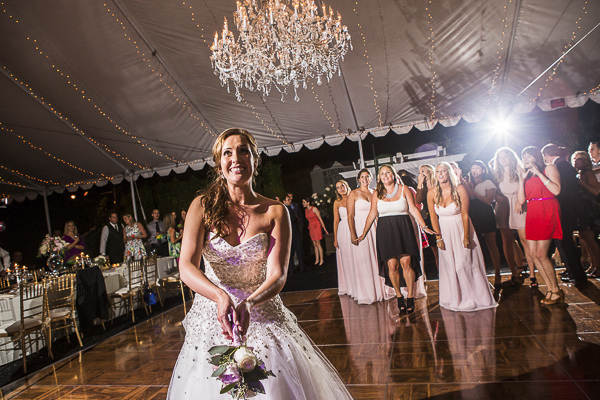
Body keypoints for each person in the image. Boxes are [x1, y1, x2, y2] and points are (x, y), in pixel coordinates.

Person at [167, 128, 353, 399]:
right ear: (219, 163)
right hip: (212, 318)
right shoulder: (202, 206)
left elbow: (277, 274)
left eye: (243, 150)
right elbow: (186, 266)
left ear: (255, 159)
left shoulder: (275, 211)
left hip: (262, 312)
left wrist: (250, 304)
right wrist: (219, 296)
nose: (236, 158)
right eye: (227, 152)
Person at [355, 165, 436, 313]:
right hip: (385, 230)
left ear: (393, 174)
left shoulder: (403, 189)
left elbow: (412, 208)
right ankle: (399, 296)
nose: (385, 175)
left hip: (404, 228)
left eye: (388, 173)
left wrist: (424, 226)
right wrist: (363, 234)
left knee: (406, 262)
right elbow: (372, 214)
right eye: (382, 174)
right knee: (392, 266)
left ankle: (410, 297)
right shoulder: (376, 194)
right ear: (379, 178)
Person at [427, 162, 496, 311]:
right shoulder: (432, 193)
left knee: (463, 264)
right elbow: (433, 217)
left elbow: (465, 214)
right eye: (437, 171)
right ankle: (455, 299)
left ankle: (472, 297)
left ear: (449, 173)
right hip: (444, 231)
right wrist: (438, 238)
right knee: (450, 266)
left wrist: (466, 236)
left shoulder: (459, 189)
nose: (440, 174)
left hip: (460, 228)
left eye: (443, 171)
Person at [518, 146, 564, 305]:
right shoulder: (527, 175)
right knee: (532, 254)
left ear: (536, 157)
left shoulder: (548, 168)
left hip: (547, 209)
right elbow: (522, 200)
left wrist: (538, 173)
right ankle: (551, 289)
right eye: (523, 157)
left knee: (541, 253)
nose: (525, 160)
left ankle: (556, 290)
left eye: (529, 156)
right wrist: (521, 178)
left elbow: (556, 190)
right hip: (532, 212)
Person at [542, 144, 588, 288]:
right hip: (567, 209)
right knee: (564, 243)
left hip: (565, 210)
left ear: (546, 155)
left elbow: (565, 192)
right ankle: (573, 272)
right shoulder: (564, 165)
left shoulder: (561, 166)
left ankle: (577, 275)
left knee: (565, 243)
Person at [347, 168, 395, 304]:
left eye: (367, 176)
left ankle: (382, 289)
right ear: (358, 179)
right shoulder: (353, 194)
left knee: (377, 257)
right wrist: (352, 233)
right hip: (360, 227)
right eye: (362, 177)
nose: (365, 179)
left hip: (376, 228)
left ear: (371, 178)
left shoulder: (376, 192)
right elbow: (350, 216)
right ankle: (367, 293)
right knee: (363, 259)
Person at [492, 148, 535, 286]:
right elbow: (492, 193)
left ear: (511, 157)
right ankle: (514, 272)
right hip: (503, 207)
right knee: (507, 241)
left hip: (519, 205)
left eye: (506, 156)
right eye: (500, 157)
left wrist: (520, 201)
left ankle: (533, 273)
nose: (503, 160)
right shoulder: (495, 174)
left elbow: (528, 189)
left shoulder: (520, 171)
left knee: (525, 240)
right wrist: (497, 197)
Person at [465, 161, 503, 290]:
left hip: (486, 214)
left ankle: (498, 273)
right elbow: (470, 198)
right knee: (478, 246)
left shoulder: (488, 183)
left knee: (492, 244)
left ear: (483, 170)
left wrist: (473, 192)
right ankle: (481, 276)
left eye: (477, 168)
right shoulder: (469, 183)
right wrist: (469, 188)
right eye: (472, 168)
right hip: (474, 215)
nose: (474, 170)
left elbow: (488, 201)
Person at [572, 151, 600, 278]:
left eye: (578, 159)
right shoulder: (580, 173)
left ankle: (598, 267)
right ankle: (593, 265)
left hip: (590, 209)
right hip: (582, 209)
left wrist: (581, 183)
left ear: (585, 161)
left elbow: (595, 191)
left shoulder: (588, 173)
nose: (575, 161)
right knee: (584, 238)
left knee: (590, 238)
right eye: (574, 159)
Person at [415, 164, 439, 269]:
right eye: (420, 172)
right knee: (436, 251)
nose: (421, 174)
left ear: (430, 172)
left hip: (440, 216)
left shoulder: (438, 184)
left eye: (423, 172)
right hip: (429, 219)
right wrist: (420, 184)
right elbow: (418, 201)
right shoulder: (423, 188)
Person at [332, 180, 354, 297]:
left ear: (347, 186)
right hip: (343, 230)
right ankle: (349, 286)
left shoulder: (354, 196)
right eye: (338, 187)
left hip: (355, 226)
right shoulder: (337, 202)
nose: (341, 188)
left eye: (342, 186)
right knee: (347, 258)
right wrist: (335, 238)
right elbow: (336, 221)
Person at [302, 197, 329, 266]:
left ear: (308, 203)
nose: (303, 204)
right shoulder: (306, 210)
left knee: (318, 243)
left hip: (316, 226)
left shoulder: (314, 209)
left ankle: (321, 259)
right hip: (311, 227)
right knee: (314, 244)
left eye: (304, 202)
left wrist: (324, 228)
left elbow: (320, 219)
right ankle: (317, 259)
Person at [283, 195, 305, 274]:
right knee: (298, 250)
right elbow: (294, 219)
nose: (290, 201)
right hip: (293, 232)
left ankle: (292, 269)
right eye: (288, 200)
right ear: (284, 201)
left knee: (290, 252)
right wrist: (296, 218)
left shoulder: (283, 210)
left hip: (288, 233)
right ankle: (302, 267)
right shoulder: (288, 209)